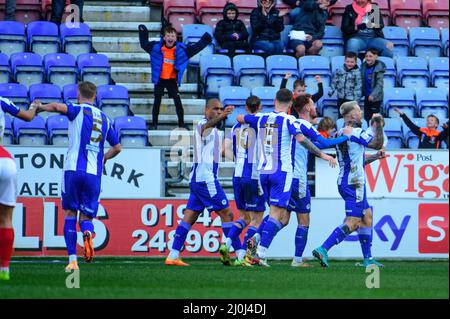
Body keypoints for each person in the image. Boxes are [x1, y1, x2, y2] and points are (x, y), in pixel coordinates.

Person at [237, 89, 337, 267]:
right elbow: (302, 139)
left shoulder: (261, 117)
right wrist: (322, 155)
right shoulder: (291, 120)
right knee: (279, 215)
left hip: (263, 173)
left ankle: (253, 248)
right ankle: (260, 253)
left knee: (278, 216)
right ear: (290, 104)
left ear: (275, 100)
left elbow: (240, 118)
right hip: (282, 173)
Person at [34, 82, 122, 271]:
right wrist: (103, 158)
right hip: (94, 174)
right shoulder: (105, 119)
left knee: (70, 213)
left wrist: (40, 107)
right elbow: (117, 147)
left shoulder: (77, 109)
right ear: (95, 96)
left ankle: (72, 260)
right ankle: (88, 234)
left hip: (73, 170)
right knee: (86, 218)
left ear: (78, 95)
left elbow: (57, 107)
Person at [312, 101, 384, 268]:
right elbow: (376, 143)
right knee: (353, 222)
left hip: (346, 180)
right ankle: (323, 248)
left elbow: (357, 160)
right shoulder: (355, 131)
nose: (361, 113)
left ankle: (368, 259)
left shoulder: (340, 132)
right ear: (352, 116)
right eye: (359, 111)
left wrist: (376, 157)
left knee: (367, 217)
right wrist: (379, 124)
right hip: (355, 183)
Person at [165, 99, 236, 267]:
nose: (219, 111)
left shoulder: (217, 132)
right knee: (228, 214)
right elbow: (205, 128)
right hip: (206, 180)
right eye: (215, 109)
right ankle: (238, 253)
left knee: (189, 217)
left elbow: (219, 152)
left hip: (198, 180)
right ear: (206, 111)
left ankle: (173, 255)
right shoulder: (202, 125)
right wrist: (223, 116)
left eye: (221, 109)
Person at [220, 96, 266, 267]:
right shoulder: (261, 126)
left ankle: (227, 244)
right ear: (259, 107)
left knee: (244, 217)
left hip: (237, 175)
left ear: (246, 108)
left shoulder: (235, 127)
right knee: (257, 219)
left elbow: (223, 150)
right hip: (253, 177)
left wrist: (238, 160)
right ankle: (249, 255)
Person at [138, 25, 212, 130]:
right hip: (159, 79)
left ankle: (181, 124)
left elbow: (195, 48)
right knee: (157, 102)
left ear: (176, 38)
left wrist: (205, 39)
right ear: (164, 38)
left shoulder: (181, 50)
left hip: (172, 80)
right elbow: (144, 44)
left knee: (178, 102)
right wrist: (143, 32)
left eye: (172, 36)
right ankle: (154, 124)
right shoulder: (156, 48)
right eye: (168, 35)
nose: (170, 38)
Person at [0, 97, 38, 280]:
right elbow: (29, 117)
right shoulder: (2, 101)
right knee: (6, 219)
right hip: (5, 161)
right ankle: (4, 269)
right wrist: (34, 106)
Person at [361, 48, 385, 124]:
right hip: (366, 97)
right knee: (367, 118)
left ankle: (377, 135)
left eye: (370, 56)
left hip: (375, 98)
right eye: (366, 56)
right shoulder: (363, 66)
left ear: (376, 56)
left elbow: (379, 84)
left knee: (375, 120)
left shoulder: (379, 68)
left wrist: (373, 95)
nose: (368, 58)